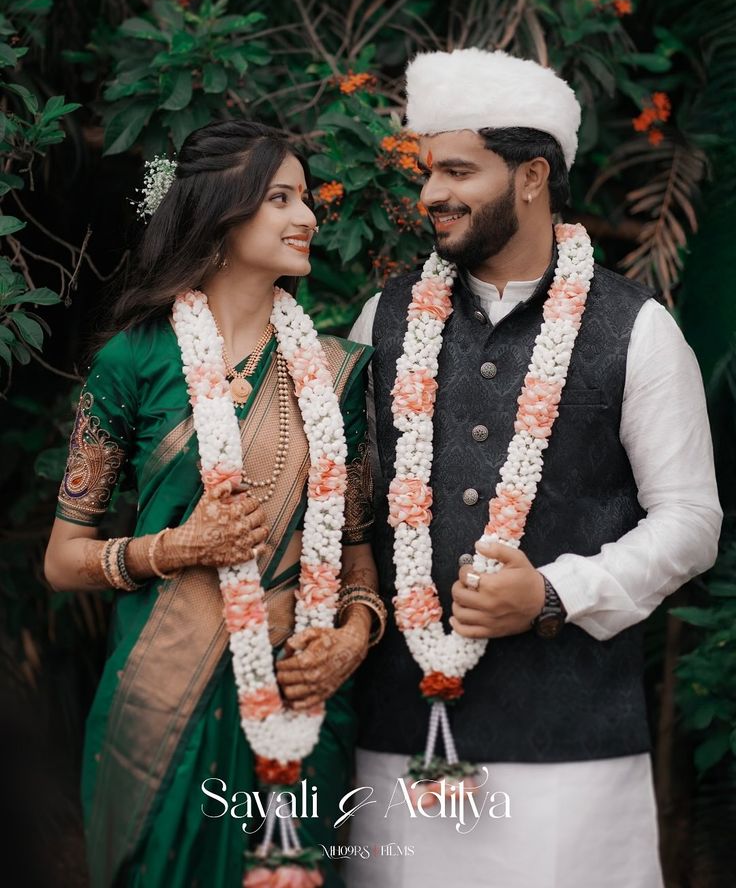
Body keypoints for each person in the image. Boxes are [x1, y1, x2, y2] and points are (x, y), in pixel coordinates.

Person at [345, 49, 722, 888]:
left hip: (573, 758)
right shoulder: (385, 319)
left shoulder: (638, 328)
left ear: (532, 177)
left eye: (457, 171)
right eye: (428, 171)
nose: (431, 192)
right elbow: (352, 509)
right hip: (400, 738)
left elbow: (692, 522)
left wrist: (553, 592)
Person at [44, 119, 384, 888]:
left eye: (306, 199)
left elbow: (357, 554)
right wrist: (177, 547)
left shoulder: (335, 373)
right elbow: (62, 561)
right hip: (161, 701)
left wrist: (353, 637)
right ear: (222, 213)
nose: (308, 216)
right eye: (281, 198)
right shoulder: (134, 360)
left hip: (299, 708)